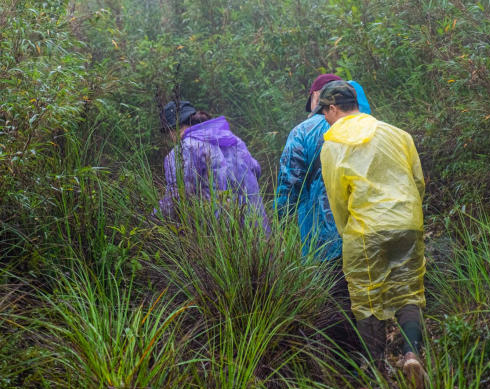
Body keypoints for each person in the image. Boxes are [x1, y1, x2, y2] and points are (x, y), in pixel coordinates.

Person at [314, 80, 427, 389]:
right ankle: (411, 355)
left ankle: (375, 374)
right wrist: (409, 216)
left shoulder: (333, 144)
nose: (325, 117)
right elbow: (418, 180)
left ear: (334, 108)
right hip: (407, 220)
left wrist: (346, 230)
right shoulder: (396, 134)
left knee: (366, 299)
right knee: (409, 293)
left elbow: (337, 197)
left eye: (325, 111)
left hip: (365, 229)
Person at [275, 73, 371, 262]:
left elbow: (290, 181)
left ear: (317, 96)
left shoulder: (303, 131)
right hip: (368, 228)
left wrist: (283, 219)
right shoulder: (368, 124)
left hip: (323, 236)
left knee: (332, 288)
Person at [156, 99, 270, 233]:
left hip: (218, 235)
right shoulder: (232, 140)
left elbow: (177, 195)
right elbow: (255, 169)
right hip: (256, 228)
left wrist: (153, 220)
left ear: (173, 128)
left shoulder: (184, 150)